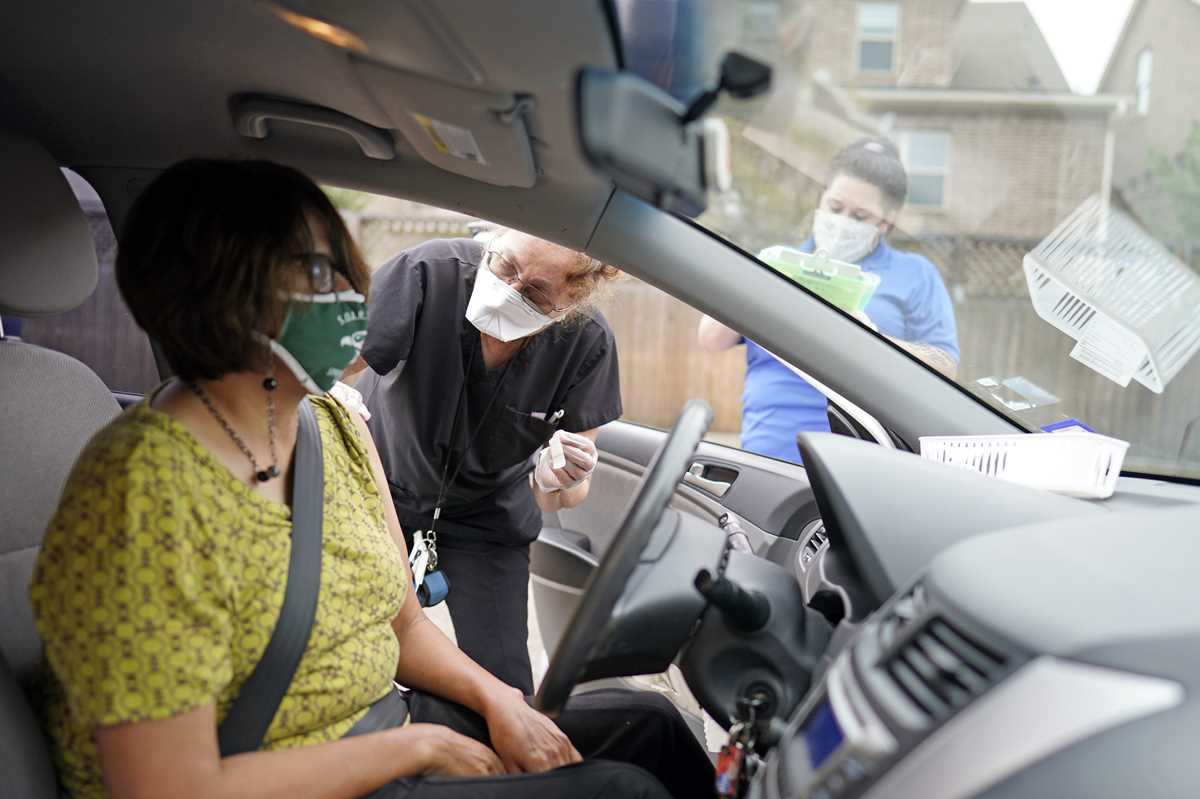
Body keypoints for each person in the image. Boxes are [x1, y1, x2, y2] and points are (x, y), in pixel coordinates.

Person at [29, 159, 714, 799]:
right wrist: (419, 747)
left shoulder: (329, 425)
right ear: (231, 304)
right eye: (323, 278)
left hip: (385, 724)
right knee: (623, 790)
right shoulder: (144, 492)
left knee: (651, 722)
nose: (358, 295)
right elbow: (170, 788)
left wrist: (498, 699)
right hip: (317, 770)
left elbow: (406, 624)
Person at [349, 230, 622, 695]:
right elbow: (332, 368)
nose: (510, 289)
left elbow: (562, 496)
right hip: (377, 495)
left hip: (485, 515)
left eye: (536, 292)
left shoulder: (587, 346)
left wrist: (560, 478)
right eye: (505, 267)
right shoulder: (427, 274)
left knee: (506, 687)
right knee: (351, 660)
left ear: (569, 303)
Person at [698, 137, 959, 463]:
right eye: (835, 208)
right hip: (768, 462)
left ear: (887, 220)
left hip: (864, 467)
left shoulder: (916, 275)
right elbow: (710, 338)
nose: (842, 222)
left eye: (860, 216)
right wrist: (758, 276)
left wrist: (874, 343)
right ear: (822, 199)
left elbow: (945, 368)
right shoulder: (779, 261)